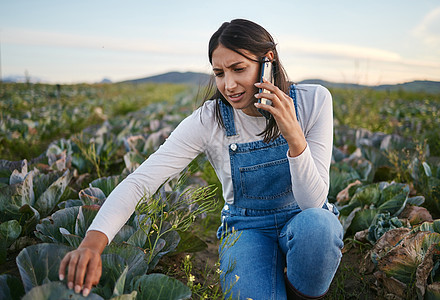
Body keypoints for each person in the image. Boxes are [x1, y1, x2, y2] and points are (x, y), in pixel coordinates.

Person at [59, 19, 343, 300]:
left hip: (301, 218)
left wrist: (294, 135)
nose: (228, 85)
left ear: (267, 61)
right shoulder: (210, 119)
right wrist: (92, 244)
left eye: (238, 69)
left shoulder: (313, 101)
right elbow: (142, 180)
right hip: (247, 227)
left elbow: (313, 204)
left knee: (320, 226)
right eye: (219, 73)